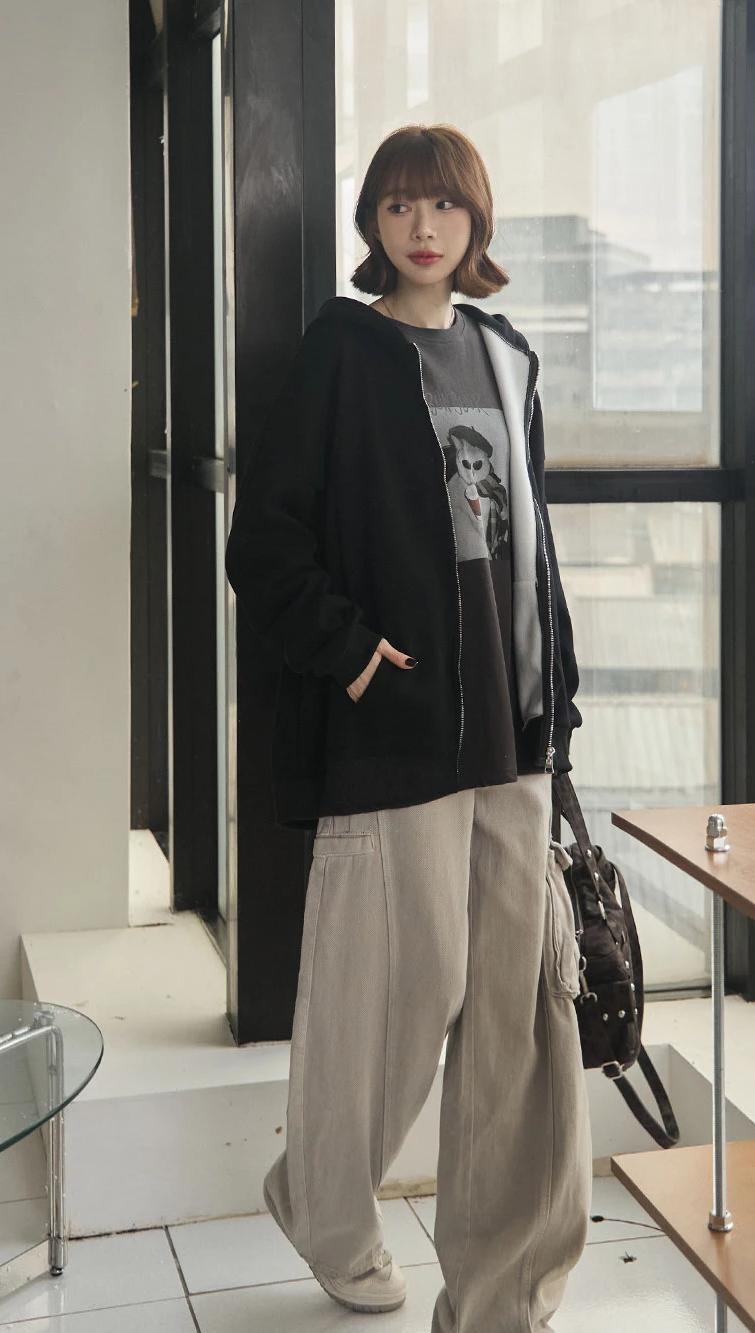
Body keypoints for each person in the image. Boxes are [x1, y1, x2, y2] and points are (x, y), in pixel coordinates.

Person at [225, 123, 592, 1333]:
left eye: (441, 206)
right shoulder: (343, 350)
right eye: (396, 207)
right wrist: (348, 656)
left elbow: (532, 542)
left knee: (520, 1024)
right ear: (372, 224)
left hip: (515, 730)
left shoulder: (508, 355)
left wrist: (558, 698)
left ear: (475, 220)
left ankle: (503, 1290)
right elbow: (264, 543)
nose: (421, 229)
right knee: (394, 997)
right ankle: (324, 1204)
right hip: (397, 731)